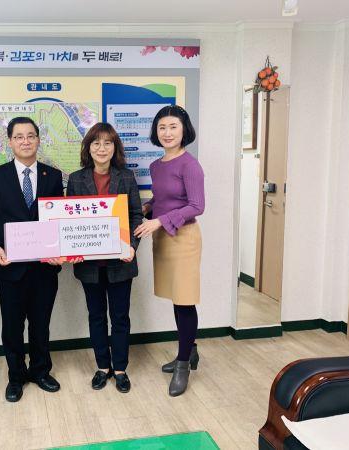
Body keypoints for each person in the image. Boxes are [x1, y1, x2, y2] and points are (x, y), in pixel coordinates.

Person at [0, 117, 64, 402]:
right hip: (9, 267)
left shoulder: (53, 176)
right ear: (10, 142)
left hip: (44, 268)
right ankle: (16, 377)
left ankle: (41, 371)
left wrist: (61, 250)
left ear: (38, 140)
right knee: (12, 327)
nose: (25, 141)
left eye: (30, 136)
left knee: (41, 325)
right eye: (19, 136)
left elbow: (59, 219)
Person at [134, 105, 205, 397]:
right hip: (163, 236)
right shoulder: (157, 165)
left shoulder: (190, 165)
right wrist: (148, 207)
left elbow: (197, 206)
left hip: (184, 238)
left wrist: (159, 220)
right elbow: (163, 198)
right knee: (177, 299)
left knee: (185, 300)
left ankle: (183, 365)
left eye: (173, 126)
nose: (167, 132)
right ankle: (190, 350)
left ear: (184, 129)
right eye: (162, 127)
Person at [66, 122, 142, 393]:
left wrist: (132, 246)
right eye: (96, 143)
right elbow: (68, 220)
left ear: (114, 148)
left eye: (107, 143)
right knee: (96, 316)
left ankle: (120, 368)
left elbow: (136, 215)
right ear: (88, 148)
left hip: (121, 262)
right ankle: (102, 367)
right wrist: (71, 248)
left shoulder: (126, 177)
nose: (102, 148)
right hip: (89, 265)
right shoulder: (76, 179)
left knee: (120, 317)